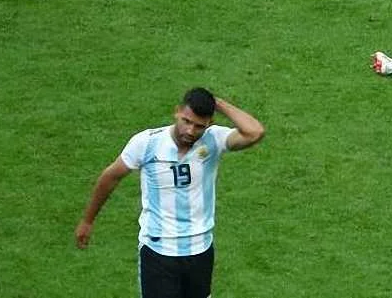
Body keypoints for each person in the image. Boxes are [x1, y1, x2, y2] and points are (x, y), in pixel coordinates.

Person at [74, 88, 265, 298]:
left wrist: (216, 102)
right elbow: (110, 177)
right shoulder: (147, 143)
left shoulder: (214, 139)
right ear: (177, 111)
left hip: (200, 250)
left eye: (199, 126)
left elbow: (254, 132)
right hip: (159, 251)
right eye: (186, 121)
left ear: (209, 123)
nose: (190, 131)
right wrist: (87, 220)